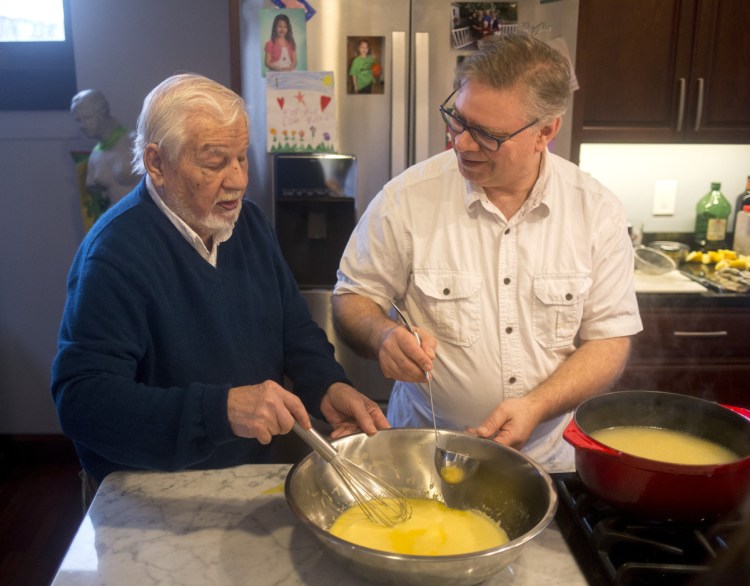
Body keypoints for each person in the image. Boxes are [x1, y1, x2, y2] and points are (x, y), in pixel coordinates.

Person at [52, 73, 388, 493]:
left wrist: (327, 385)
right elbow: (83, 402)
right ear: (157, 164)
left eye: (242, 158)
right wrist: (221, 410)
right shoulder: (115, 254)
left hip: (248, 479)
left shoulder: (248, 223)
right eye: (214, 162)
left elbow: (294, 331)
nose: (238, 180)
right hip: (152, 492)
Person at [331, 34, 642, 472]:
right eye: (457, 120)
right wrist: (382, 336)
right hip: (424, 457)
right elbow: (351, 299)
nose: (461, 143)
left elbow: (608, 340)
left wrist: (536, 405)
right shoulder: (407, 199)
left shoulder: (596, 211)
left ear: (546, 132)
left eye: (487, 135)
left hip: (549, 463)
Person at [70, 89, 140, 206]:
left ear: (103, 113)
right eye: (78, 120)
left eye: (87, 117)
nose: (82, 125)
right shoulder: (95, 156)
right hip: (116, 220)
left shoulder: (134, 141)